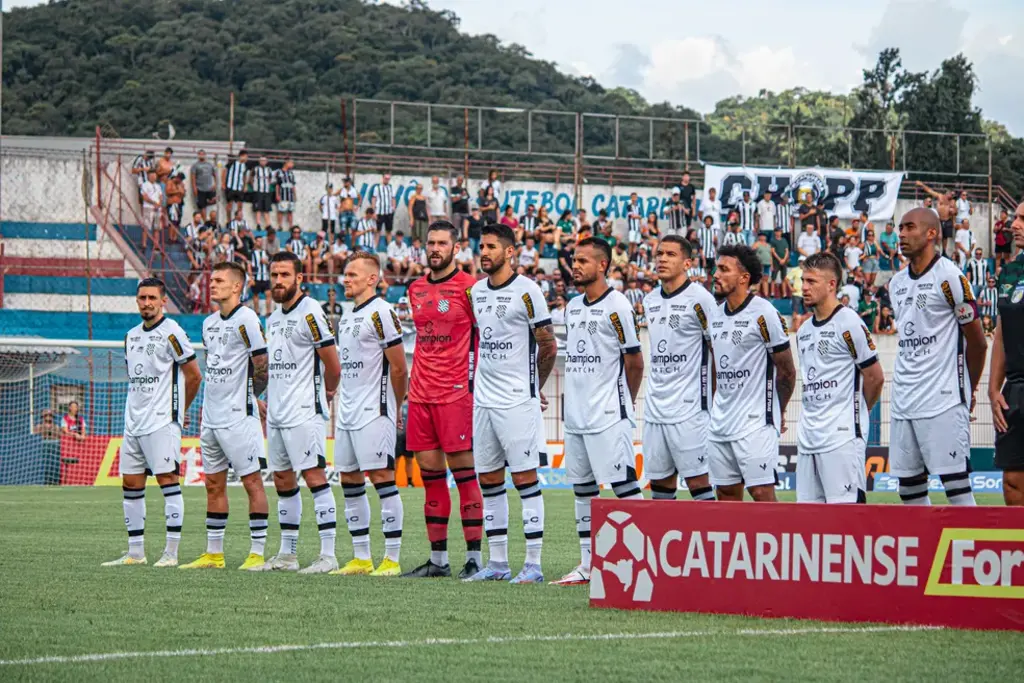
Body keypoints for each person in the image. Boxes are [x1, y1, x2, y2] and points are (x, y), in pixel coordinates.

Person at [462, 224, 557, 584]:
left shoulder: (529, 291)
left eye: (490, 247)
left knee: (525, 479)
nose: (483, 252)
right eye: (481, 246)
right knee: (488, 480)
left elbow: (548, 345)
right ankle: (498, 564)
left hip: (517, 401)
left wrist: (535, 386)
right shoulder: (475, 292)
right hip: (484, 402)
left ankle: (532, 565)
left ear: (510, 252)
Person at [552, 237, 645, 587]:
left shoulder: (618, 305)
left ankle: (639, 562)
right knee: (583, 489)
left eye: (583, 261)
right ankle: (589, 565)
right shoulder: (572, 307)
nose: (575, 266)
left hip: (608, 414)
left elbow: (634, 361)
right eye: (574, 260)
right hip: (575, 416)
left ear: (602, 265)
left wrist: (623, 402)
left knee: (623, 486)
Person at [401, 221, 483, 579]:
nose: (435, 248)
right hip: (420, 395)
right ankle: (437, 561)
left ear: (456, 247)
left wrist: (478, 385)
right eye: (430, 242)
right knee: (431, 479)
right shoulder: (414, 288)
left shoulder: (470, 288)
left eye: (442, 243)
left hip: (456, 395)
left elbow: (484, 339)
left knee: (465, 477)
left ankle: (475, 560)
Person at [889, 208, 988, 506]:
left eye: (909, 227)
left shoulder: (950, 278)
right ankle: (926, 553)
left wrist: (967, 388)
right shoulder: (896, 284)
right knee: (909, 491)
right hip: (904, 402)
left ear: (931, 233)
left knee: (956, 488)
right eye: (900, 228)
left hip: (942, 400)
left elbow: (978, 343)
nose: (902, 234)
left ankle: (966, 553)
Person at [102, 279, 201, 567]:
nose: (147, 303)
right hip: (133, 422)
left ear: (163, 301)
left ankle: (170, 554)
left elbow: (194, 376)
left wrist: (178, 412)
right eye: (142, 297)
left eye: (152, 298)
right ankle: (135, 554)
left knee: (168, 482)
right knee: (130, 484)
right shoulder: (130, 336)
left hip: (161, 422)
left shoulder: (173, 333)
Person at [179, 263, 270, 570]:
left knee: (252, 483)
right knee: (213, 485)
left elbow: (262, 365)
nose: (212, 285)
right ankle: (214, 554)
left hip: (238, 417)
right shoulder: (208, 324)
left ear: (236, 287)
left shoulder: (247, 319)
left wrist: (251, 397)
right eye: (211, 280)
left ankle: (257, 554)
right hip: (211, 417)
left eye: (219, 280)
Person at [258, 252, 342, 572]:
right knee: (282, 480)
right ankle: (288, 555)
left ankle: (328, 555)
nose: (278, 281)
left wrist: (328, 392)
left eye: (284, 275)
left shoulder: (311, 313)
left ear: (299, 279)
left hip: (305, 410)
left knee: (314, 477)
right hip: (277, 414)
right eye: (274, 274)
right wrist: (262, 398)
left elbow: (333, 365)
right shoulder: (274, 317)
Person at [331, 252, 409, 575]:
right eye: (345, 274)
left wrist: (396, 405)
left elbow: (399, 367)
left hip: (374, 411)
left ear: (371, 279)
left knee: (381, 479)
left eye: (352, 275)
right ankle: (361, 557)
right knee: (349, 479)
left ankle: (390, 558)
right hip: (346, 413)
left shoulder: (382, 313)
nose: (345, 280)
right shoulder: (348, 315)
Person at [708, 245, 796, 502]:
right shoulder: (715, 314)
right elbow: (717, 366)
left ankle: (777, 543)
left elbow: (787, 371)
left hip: (755, 422)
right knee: (725, 494)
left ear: (744, 278)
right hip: (721, 422)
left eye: (724, 269)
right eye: (716, 268)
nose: (716, 274)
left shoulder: (764, 313)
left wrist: (777, 410)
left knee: (761, 493)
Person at [795, 252, 884, 503]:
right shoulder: (804, 331)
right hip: (808, 438)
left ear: (831, 285)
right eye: (803, 280)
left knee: (846, 518)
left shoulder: (849, 323)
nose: (804, 287)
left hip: (841, 437)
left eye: (811, 281)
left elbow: (875, 378)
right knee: (809, 523)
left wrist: (856, 412)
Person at [641, 235, 717, 504]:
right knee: (660, 484)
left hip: (690, 409)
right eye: (660, 253)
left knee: (699, 482)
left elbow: (717, 352)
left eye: (670, 255)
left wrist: (715, 402)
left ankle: (709, 545)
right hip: (655, 408)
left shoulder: (701, 300)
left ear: (687, 263)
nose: (662, 259)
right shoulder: (649, 300)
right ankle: (665, 544)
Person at [990, 202, 1024, 505]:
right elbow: (1001, 332)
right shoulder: (1010, 272)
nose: (1014, 224)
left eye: (1023, 219)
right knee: (1012, 482)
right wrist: (992, 388)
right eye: (1015, 217)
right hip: (1014, 388)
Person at [248, 236, 271, 316]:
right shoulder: (252, 253)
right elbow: (249, 265)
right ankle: (257, 312)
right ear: (255, 242)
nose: (260, 243)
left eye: (261, 241)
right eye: (258, 241)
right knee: (255, 295)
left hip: (265, 276)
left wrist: (266, 262)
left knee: (268, 294)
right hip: (256, 277)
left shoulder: (266, 252)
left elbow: (271, 264)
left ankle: (268, 312)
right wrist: (251, 277)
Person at [274, 158, 297, 229]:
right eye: (291, 163)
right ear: (286, 163)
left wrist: (295, 195)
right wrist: (277, 195)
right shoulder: (279, 172)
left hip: (290, 195)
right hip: (282, 195)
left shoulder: (291, 173)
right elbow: (277, 185)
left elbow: (293, 185)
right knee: (281, 210)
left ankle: (291, 226)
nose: (292, 164)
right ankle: (280, 225)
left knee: (290, 211)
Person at [787, 256, 806, 329]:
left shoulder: (808, 270)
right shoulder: (795, 270)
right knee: (795, 311)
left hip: (805, 294)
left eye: (803, 262)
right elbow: (787, 279)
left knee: (807, 312)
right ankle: (793, 327)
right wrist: (790, 288)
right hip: (796, 294)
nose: (801, 263)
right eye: (800, 261)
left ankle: (805, 328)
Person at [770, 227, 790, 298]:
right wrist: (779, 259)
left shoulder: (784, 240)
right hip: (776, 261)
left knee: (784, 278)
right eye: (777, 231)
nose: (778, 233)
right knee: (773, 278)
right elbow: (773, 251)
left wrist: (784, 259)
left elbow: (787, 250)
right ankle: (772, 293)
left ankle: (784, 294)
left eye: (779, 231)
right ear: (775, 232)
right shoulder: (773, 240)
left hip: (784, 261)